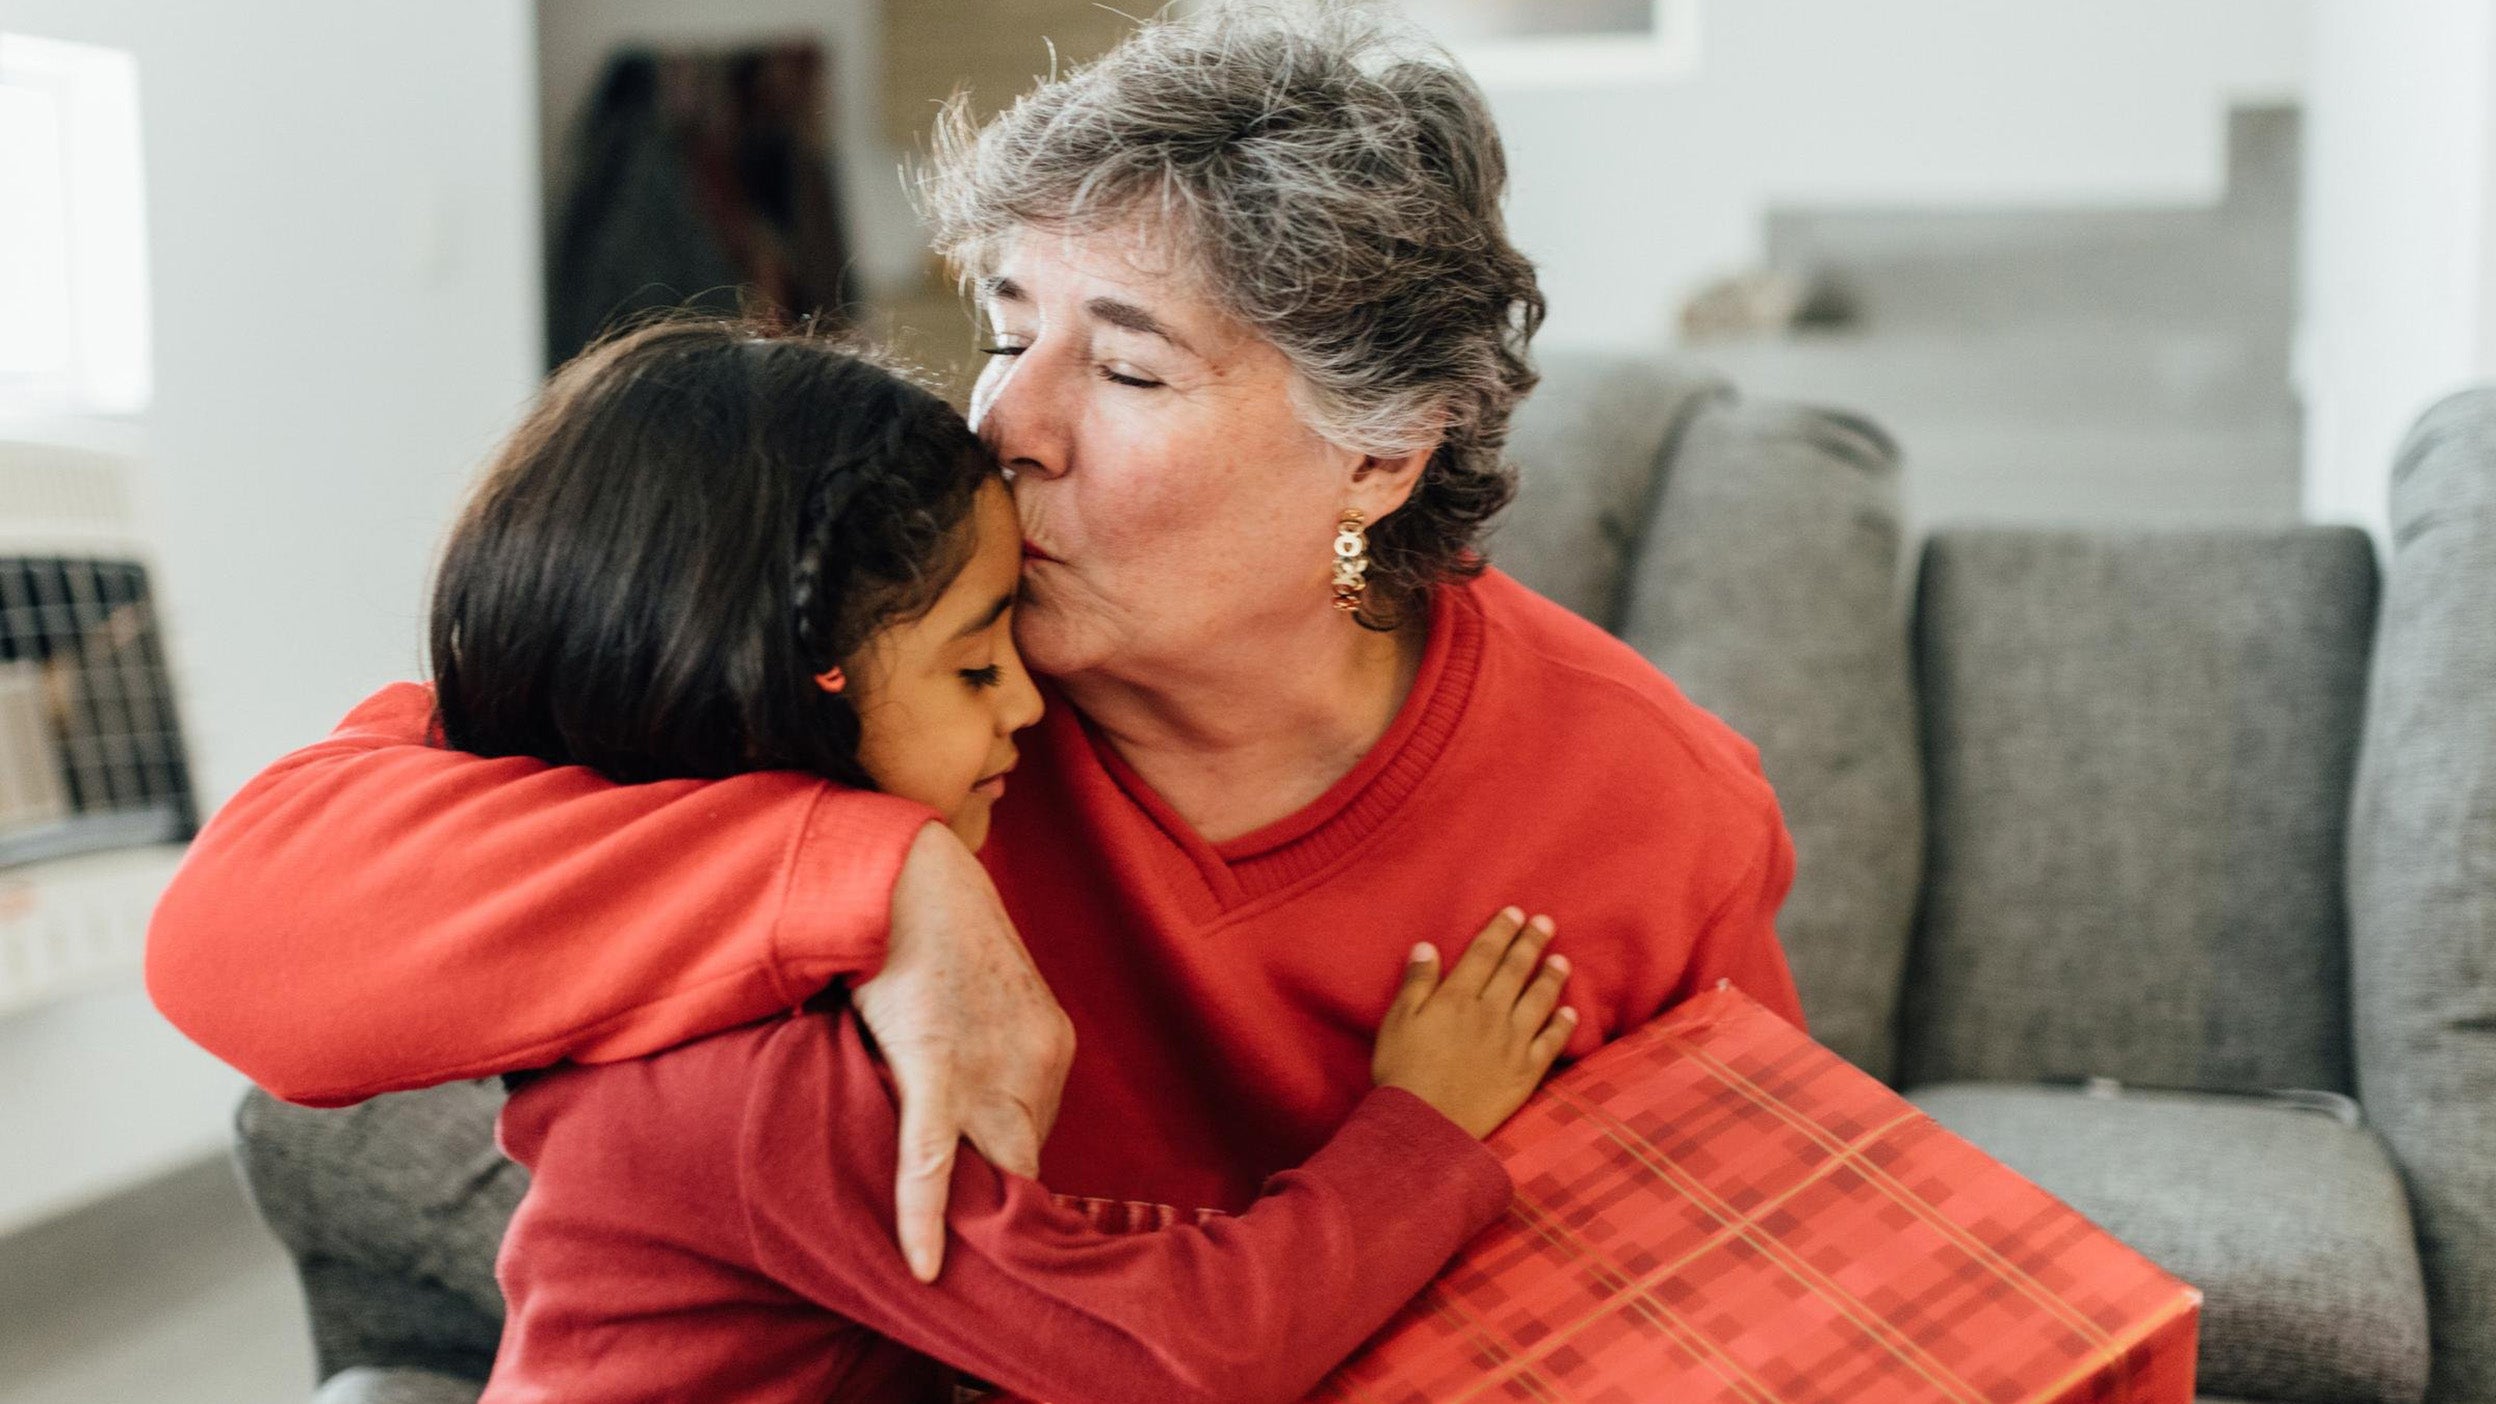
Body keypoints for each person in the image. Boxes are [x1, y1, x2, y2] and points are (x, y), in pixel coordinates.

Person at [148, 5, 1805, 1290]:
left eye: (1130, 369)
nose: (1005, 417)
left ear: (1380, 453)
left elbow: (1767, 1271)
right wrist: (877, 880)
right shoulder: (887, 653)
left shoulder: (1648, 809)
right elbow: (237, 939)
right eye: (1007, 324)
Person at [418, 316, 1576, 1402]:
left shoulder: (716, 969)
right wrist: (1424, 1125)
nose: (1028, 702)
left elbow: (1030, 1259)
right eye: (975, 669)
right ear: (770, 697)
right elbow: (1178, 1355)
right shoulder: (773, 1085)